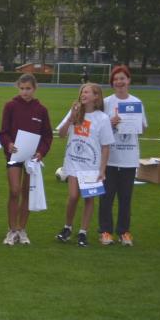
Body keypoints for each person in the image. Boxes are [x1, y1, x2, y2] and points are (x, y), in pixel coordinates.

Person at [55, 83, 114, 247]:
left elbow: (106, 146)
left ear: (96, 97)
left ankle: (83, 232)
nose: (83, 94)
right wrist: (71, 118)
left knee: (88, 199)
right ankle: (67, 228)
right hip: (73, 162)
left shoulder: (102, 118)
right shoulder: (75, 112)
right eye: (82, 91)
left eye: (87, 92)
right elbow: (61, 134)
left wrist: (102, 169)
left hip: (91, 167)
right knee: (73, 196)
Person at [0, 73, 53, 246]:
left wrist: (41, 152)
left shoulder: (41, 110)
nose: (25, 92)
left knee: (27, 192)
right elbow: (3, 132)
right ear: (18, 88)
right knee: (14, 191)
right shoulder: (10, 106)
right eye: (22, 88)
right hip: (14, 156)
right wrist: (8, 144)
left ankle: (21, 229)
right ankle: (12, 230)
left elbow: (47, 135)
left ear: (35, 88)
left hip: (32, 159)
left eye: (28, 88)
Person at [99, 65, 146, 246]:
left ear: (128, 81)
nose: (119, 82)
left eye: (122, 78)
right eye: (116, 79)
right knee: (106, 197)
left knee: (125, 198)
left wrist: (135, 123)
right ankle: (105, 232)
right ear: (112, 83)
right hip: (109, 158)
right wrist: (110, 123)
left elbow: (143, 128)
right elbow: (98, 128)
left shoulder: (136, 102)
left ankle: (124, 232)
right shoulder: (106, 103)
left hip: (129, 158)